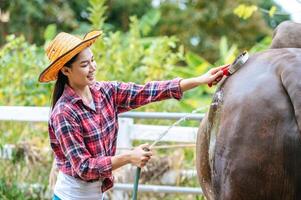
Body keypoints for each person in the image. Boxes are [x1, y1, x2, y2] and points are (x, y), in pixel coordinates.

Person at [38, 30, 226, 200]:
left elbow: (147, 91)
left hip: (97, 195)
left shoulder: (105, 92)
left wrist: (200, 80)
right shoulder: (64, 113)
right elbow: (84, 167)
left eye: (93, 60)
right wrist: (129, 157)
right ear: (66, 70)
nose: (93, 67)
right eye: (85, 65)